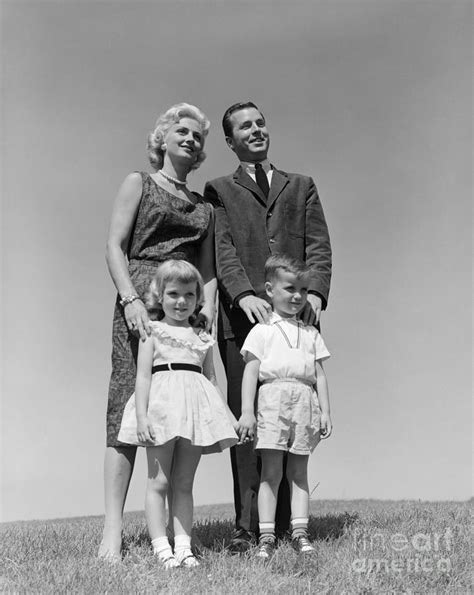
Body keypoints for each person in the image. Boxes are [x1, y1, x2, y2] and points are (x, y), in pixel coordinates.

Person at [204, 101, 332, 550]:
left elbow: (318, 244)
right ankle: (248, 530)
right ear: (229, 140)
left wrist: (314, 291)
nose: (256, 130)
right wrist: (244, 295)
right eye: (245, 126)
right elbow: (222, 250)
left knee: (293, 420)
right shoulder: (218, 189)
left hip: (297, 326)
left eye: (260, 123)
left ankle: (287, 528)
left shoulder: (302, 186)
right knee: (250, 424)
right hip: (243, 325)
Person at [100, 103, 216, 561]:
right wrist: (130, 299)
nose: (190, 139)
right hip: (139, 304)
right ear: (162, 139)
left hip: (182, 311)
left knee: (178, 410)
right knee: (127, 403)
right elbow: (114, 245)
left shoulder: (205, 208)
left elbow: (206, 270)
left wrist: (205, 313)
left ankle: (173, 535)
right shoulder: (139, 183)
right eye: (181, 131)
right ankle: (112, 530)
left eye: (198, 136)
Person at [118, 260, 238, 568]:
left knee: (184, 483)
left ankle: (183, 546)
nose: (181, 301)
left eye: (188, 294)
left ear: (199, 297)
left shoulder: (202, 337)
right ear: (159, 295)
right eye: (173, 294)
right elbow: (143, 376)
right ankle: (161, 547)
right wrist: (142, 417)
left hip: (194, 412)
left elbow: (210, 379)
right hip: (160, 409)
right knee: (158, 481)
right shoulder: (153, 332)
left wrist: (226, 415)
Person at [237, 254, 332, 559]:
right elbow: (251, 372)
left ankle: (300, 533)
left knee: (299, 472)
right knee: (271, 472)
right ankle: (266, 535)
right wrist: (247, 412)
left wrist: (325, 411)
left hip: (304, 401)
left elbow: (319, 374)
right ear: (269, 289)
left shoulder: (310, 332)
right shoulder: (261, 331)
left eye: (303, 290)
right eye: (290, 288)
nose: (297, 296)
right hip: (272, 400)